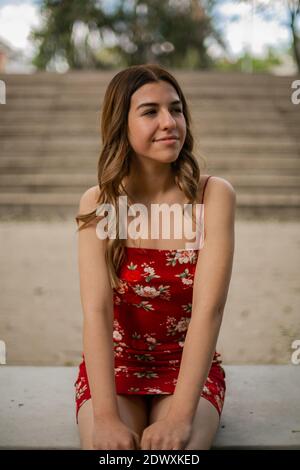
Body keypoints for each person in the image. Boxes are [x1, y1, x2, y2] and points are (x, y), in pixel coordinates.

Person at [74, 64, 236, 450]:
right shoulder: (98, 203)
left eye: (176, 109)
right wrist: (106, 419)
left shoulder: (214, 196)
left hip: (188, 369)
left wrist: (181, 417)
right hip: (116, 366)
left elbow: (208, 310)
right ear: (121, 124)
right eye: (150, 111)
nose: (169, 122)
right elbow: (96, 312)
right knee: (110, 454)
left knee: (175, 454)